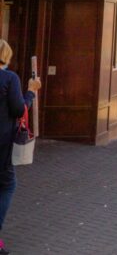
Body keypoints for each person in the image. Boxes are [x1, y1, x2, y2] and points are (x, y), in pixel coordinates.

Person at [0, 39, 40, 255]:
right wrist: (31, 91)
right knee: (7, 185)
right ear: (7, 56)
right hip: (3, 142)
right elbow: (18, 109)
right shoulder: (9, 78)